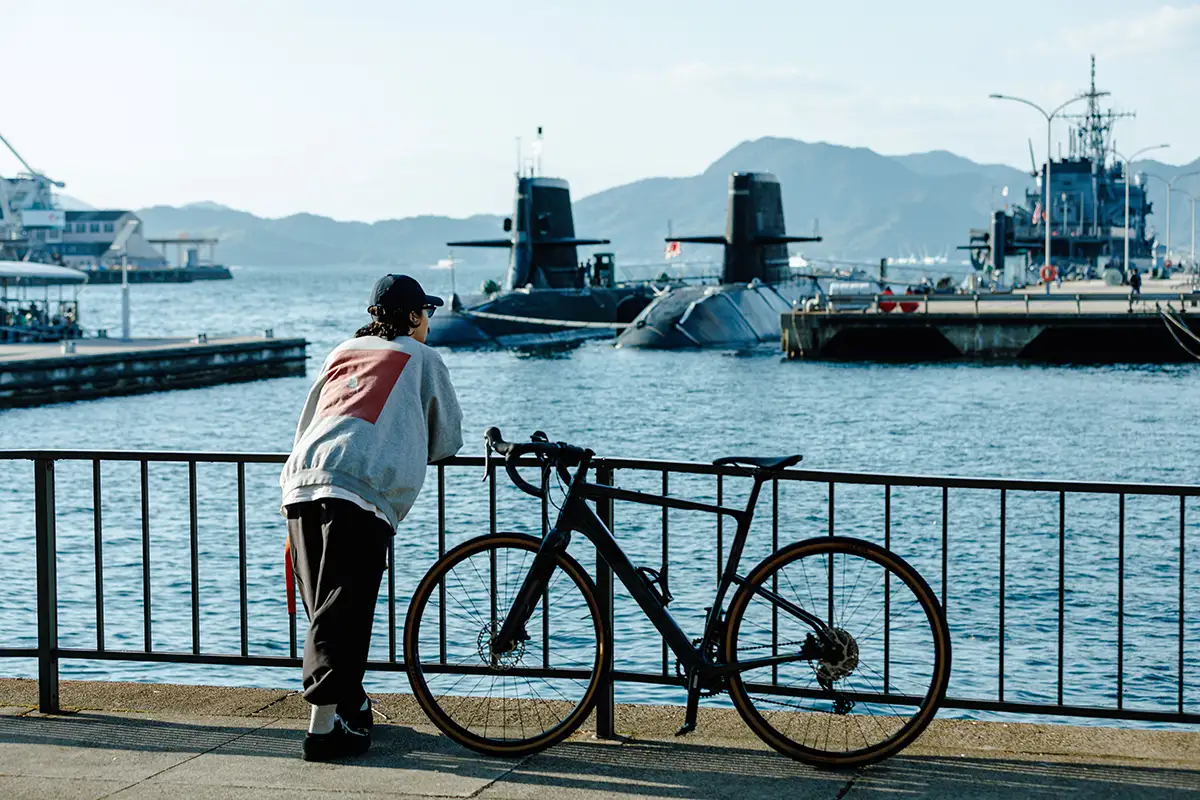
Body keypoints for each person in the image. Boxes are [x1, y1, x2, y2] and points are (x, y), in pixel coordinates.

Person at [279, 274, 463, 762]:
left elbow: (309, 419)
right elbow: (446, 439)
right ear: (412, 317)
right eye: (427, 312)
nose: (429, 322)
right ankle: (322, 731)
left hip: (302, 479)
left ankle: (351, 706)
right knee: (345, 609)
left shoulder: (342, 350)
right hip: (359, 488)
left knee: (326, 607)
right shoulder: (423, 358)